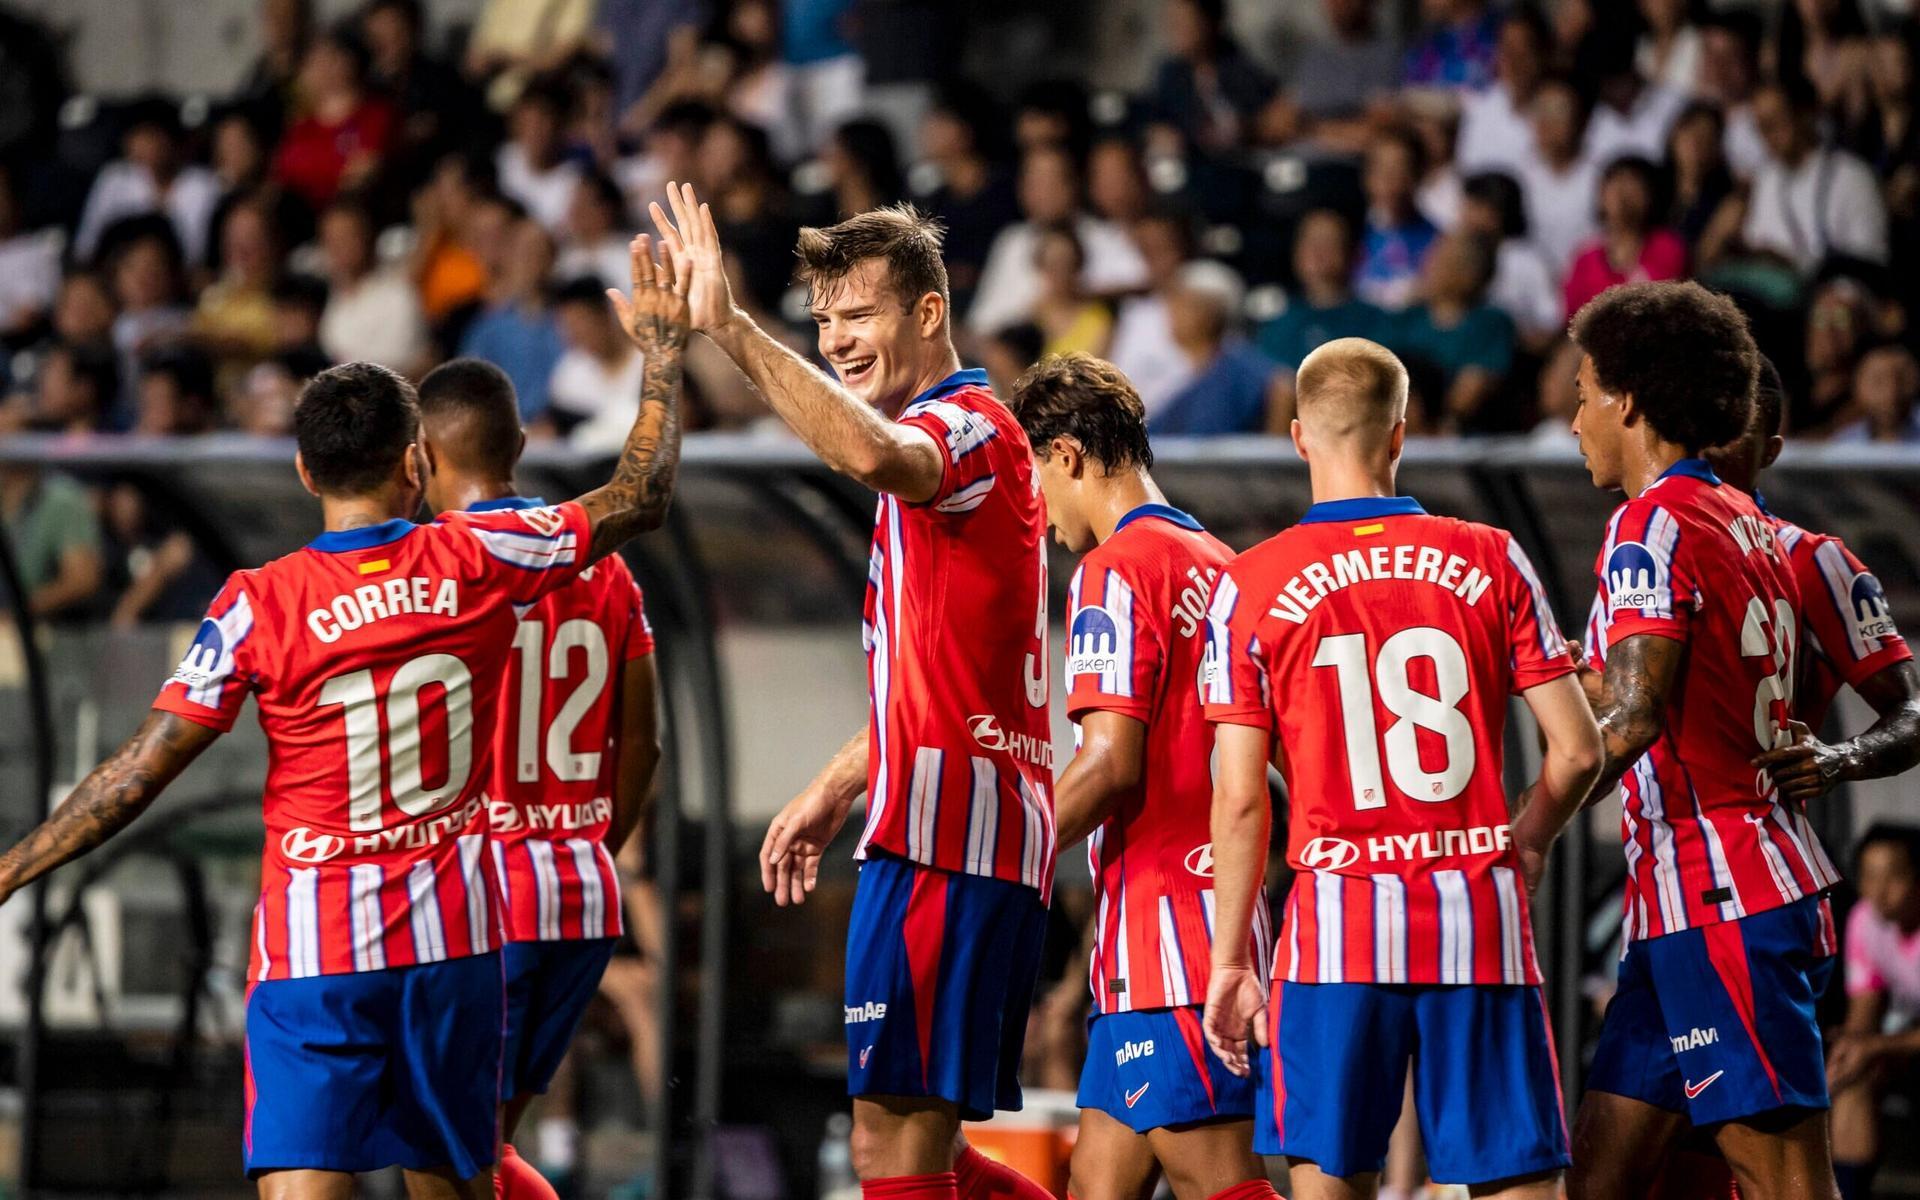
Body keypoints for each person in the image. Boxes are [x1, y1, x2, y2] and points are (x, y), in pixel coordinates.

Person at [0, 235, 689, 1198]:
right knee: (459, 1179)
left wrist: (10, 870)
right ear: (415, 462)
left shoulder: (256, 603)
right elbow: (642, 496)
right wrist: (662, 355)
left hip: (319, 955)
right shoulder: (482, 558)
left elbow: (134, 776)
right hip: (455, 949)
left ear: (301, 469)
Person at [649, 183, 1056, 1200]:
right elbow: (944, 672)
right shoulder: (948, 449)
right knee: (931, 1152)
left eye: (858, 313)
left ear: (928, 312)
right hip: (936, 826)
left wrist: (731, 329)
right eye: (823, 318)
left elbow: (873, 452)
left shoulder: (965, 426)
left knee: (889, 1151)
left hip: (949, 841)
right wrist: (838, 785)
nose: (836, 338)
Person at [1200, 336, 1600, 1200]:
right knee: (1518, 1184)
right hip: (1478, 921)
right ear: (1400, 436)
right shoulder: (1492, 555)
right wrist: (1524, 843)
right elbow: (1577, 751)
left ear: (1300, 437)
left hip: (1333, 934)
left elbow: (1239, 801)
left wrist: (1232, 959)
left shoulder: (1251, 584)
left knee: (1332, 1181)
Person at [1563, 281, 1844, 1200]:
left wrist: (1517, 825)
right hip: (1682, 904)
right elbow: (1673, 693)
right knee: (1607, 1178)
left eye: (1582, 393)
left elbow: (1640, 718)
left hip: (1723, 890)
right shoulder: (1753, 526)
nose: (1573, 419)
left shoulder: (1652, 521)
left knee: (1783, 1182)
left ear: (1629, 401)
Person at [1009, 352, 1279, 1200]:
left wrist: (1004, 849)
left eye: (1032, 481)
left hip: (1169, 932)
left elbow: (1110, 765)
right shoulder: (1219, 562)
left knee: (1217, 1179)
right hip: (1199, 912)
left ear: (1066, 456)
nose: (1035, 511)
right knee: (1096, 1182)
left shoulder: (1113, 570)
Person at [415, 356, 662, 1200]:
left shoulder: (438, 562)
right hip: (579, 891)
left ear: (420, 456)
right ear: (520, 443)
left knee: (443, 1154)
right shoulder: (607, 566)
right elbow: (644, 746)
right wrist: (590, 849)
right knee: (488, 1147)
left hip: (482, 898)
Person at [1701, 360, 1920, 805]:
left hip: (1756, 844)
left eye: (1733, 434)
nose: (1710, 452)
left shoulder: (1813, 559)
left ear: (1770, 451)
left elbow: (1911, 711)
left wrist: (1842, 756)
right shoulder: (1643, 545)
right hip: (1650, 855)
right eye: (1700, 431)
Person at [1826, 825, 1920, 1200]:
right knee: (1854, 1071)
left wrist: (1873, 1046)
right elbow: (1863, 1017)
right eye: (1869, 876)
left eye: (1894, 877)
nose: (1879, 891)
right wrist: (1848, 1055)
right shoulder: (1865, 921)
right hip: (1909, 1038)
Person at [1737, 79, 1889, 276]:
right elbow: (1756, 244)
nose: (1767, 133)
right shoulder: (1766, 180)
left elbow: (1870, 259)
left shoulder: (1852, 176)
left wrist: (1798, 265)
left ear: (1804, 114)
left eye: (1776, 120)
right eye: (1761, 126)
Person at [1258, 210, 1385, 429]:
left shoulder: (1375, 321)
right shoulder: (1278, 322)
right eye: (1310, 242)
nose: (1317, 252)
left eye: (1328, 243)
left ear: (1353, 253)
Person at [1388, 232, 1516, 432]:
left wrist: (1436, 422)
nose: (1431, 266)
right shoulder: (1408, 319)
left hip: (1460, 436)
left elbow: (1473, 388)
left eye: (1445, 261)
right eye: (1432, 258)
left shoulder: (1490, 323)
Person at [74, 98, 223, 268]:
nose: (143, 145)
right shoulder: (114, 179)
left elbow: (203, 253)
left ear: (171, 139)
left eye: (151, 137)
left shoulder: (203, 185)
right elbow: (87, 245)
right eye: (137, 137)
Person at [458, 213, 565, 423]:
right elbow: (469, 387)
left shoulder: (568, 321)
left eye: (538, 253)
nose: (530, 262)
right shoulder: (488, 327)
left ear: (551, 259)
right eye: (523, 253)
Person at [1151, 261, 1278, 437]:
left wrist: (1271, 455)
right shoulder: (1186, 372)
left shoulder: (1238, 366)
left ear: (1211, 313)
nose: (1172, 313)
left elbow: (1281, 387)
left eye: (1183, 304)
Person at [1562, 156, 1688, 319]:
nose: (1623, 195)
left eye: (1633, 186)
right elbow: (1572, 319)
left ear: (1651, 196)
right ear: (1601, 195)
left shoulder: (1668, 248)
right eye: (1615, 185)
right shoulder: (1584, 258)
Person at [316, 200, 429, 376]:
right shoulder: (327, 298)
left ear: (367, 237)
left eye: (347, 237)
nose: (339, 247)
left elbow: (398, 359)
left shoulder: (397, 294)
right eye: (331, 239)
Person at [1355, 128, 1438, 312]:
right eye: (1381, 169)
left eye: (1401, 169)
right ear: (1367, 176)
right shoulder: (1351, 236)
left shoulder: (1438, 243)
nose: (1389, 180)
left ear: (1418, 175)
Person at [1830, 342, 1920, 444]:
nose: (1891, 393)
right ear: (1858, 387)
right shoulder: (1843, 447)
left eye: (1902, 380)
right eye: (1878, 381)